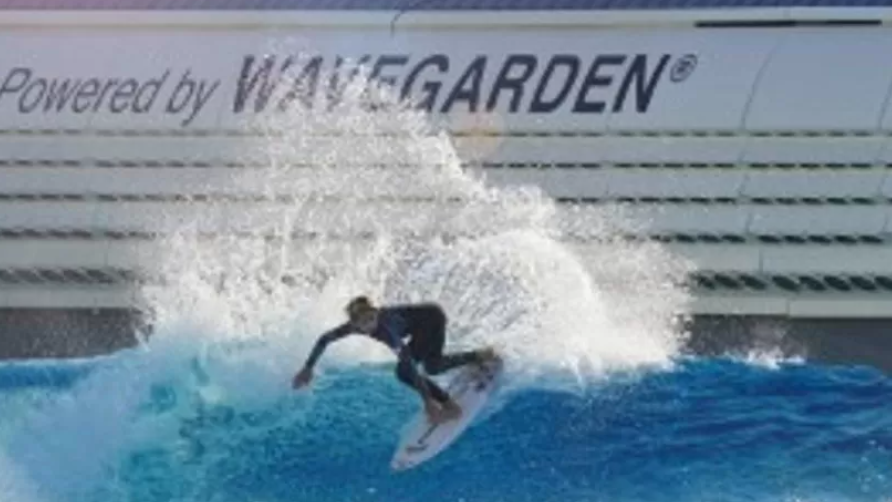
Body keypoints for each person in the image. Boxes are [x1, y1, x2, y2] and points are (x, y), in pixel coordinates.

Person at [292, 296, 496, 424]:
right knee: (433, 366)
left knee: (408, 371)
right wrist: (308, 367)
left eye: (372, 317)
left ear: (375, 313)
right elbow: (325, 339)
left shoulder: (386, 328)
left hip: (432, 318)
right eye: (364, 322)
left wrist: (428, 400)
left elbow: (406, 359)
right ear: (354, 324)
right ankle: (479, 355)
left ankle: (451, 408)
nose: (370, 324)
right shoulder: (352, 327)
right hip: (422, 322)